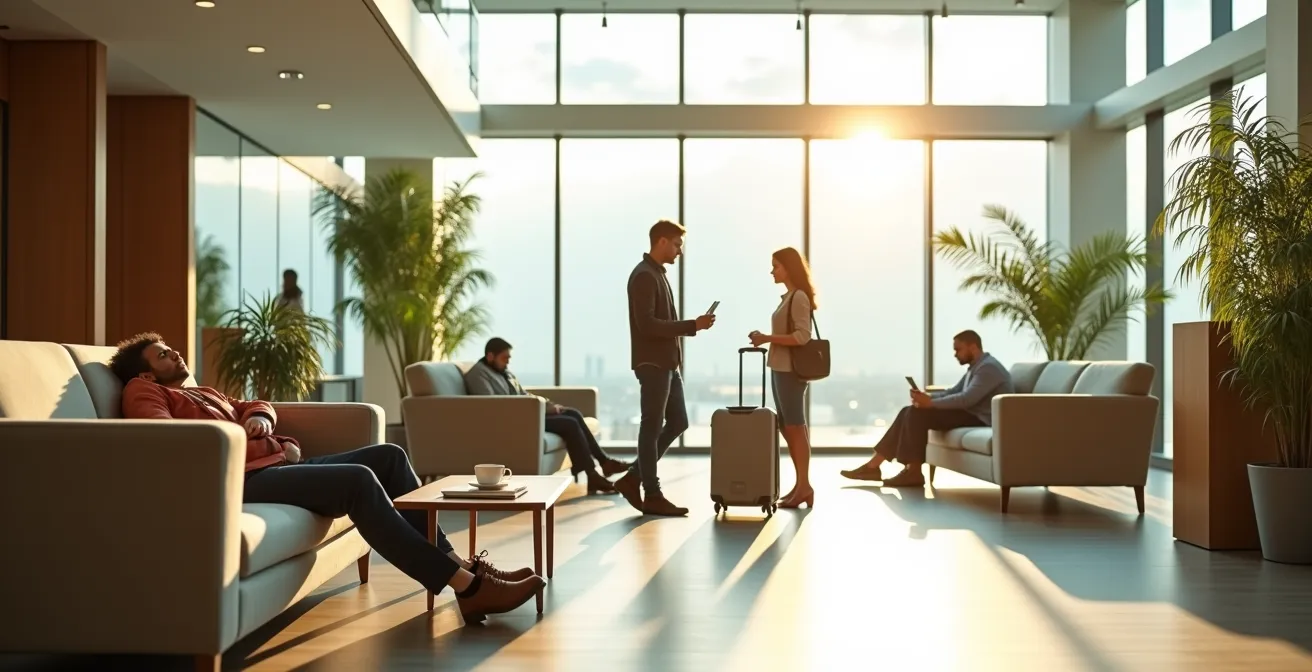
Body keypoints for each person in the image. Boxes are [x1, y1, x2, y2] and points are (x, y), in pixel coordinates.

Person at [108, 332, 543, 622]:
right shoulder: (143, 391)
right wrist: (253, 437)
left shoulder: (199, 391)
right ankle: (467, 588)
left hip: (278, 466)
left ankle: (458, 565)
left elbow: (250, 405)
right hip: (241, 482)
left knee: (389, 456)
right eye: (164, 354)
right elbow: (165, 438)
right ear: (146, 372)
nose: (176, 353)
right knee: (357, 481)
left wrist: (265, 423)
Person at [616, 219, 715, 516]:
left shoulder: (656, 273)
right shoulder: (644, 276)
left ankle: (634, 478)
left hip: (668, 364)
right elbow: (646, 325)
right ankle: (652, 492)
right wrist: (691, 326)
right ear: (661, 241)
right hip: (654, 364)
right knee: (651, 425)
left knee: (678, 422)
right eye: (676, 244)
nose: (679, 251)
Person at [840, 330, 1013, 487]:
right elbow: (953, 392)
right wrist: (926, 398)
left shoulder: (988, 368)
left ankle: (913, 472)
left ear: (973, 347)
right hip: (971, 414)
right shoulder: (976, 368)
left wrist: (930, 404)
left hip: (980, 419)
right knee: (908, 410)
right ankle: (873, 466)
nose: (955, 354)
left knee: (917, 413)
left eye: (958, 349)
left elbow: (967, 399)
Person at [464, 337, 631, 494]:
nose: (508, 362)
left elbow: (523, 394)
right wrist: (541, 408)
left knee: (573, 413)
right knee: (569, 424)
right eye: (504, 358)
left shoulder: (504, 372)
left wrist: (548, 405)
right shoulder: (478, 374)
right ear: (490, 356)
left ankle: (604, 462)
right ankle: (593, 475)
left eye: (509, 358)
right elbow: (491, 405)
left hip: (527, 414)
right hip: (515, 420)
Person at [747, 246, 817, 509]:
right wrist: (766, 340)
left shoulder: (798, 297)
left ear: (788, 267)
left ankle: (804, 486)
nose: (772, 271)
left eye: (776, 266)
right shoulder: (788, 297)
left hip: (790, 371)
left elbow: (802, 336)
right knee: (789, 427)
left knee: (795, 428)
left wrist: (767, 338)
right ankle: (801, 486)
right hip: (780, 368)